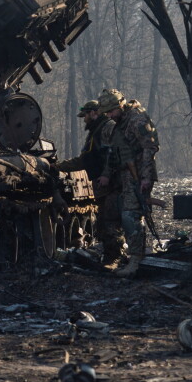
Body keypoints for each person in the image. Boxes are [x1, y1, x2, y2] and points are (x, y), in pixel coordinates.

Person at [97, 88, 159, 278]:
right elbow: (113, 152)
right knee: (122, 214)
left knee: (130, 215)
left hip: (138, 175)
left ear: (121, 106)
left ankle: (135, 259)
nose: (109, 116)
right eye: (106, 113)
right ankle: (132, 255)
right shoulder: (119, 123)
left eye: (111, 111)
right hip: (124, 176)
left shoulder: (137, 119)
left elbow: (150, 147)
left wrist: (146, 178)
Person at [53, 100, 123, 265]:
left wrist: (59, 167)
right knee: (105, 222)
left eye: (85, 115)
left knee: (109, 223)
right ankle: (111, 258)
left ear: (94, 113)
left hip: (109, 185)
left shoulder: (106, 128)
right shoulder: (97, 130)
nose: (84, 119)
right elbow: (88, 159)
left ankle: (114, 259)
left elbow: (110, 156)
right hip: (104, 184)